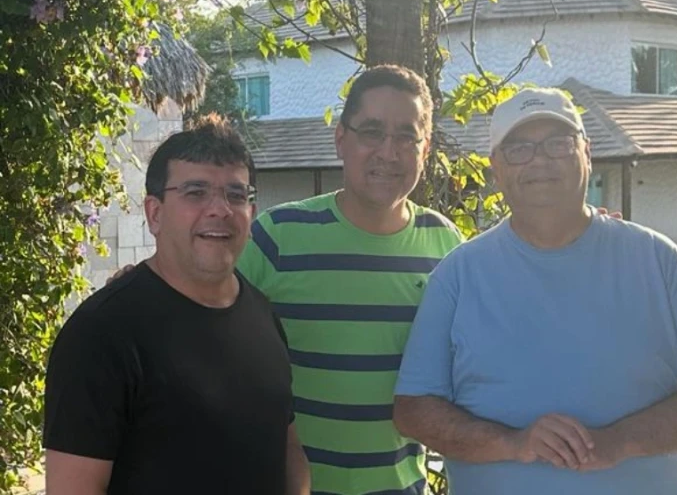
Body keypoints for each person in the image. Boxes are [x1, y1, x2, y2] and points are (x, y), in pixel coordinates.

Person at [393, 88, 677, 495]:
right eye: (519, 149)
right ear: (497, 169)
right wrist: (514, 444)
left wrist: (619, 442)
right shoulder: (457, 276)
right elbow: (414, 410)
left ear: (587, 153)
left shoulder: (659, 261)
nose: (540, 160)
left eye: (558, 143)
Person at [44, 115, 309, 495]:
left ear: (251, 213)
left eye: (236, 195)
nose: (220, 209)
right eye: (195, 192)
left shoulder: (263, 315)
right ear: (155, 213)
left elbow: (288, 448)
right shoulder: (100, 334)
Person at [236, 65, 463, 494]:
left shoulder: (447, 247)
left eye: (407, 136)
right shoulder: (277, 237)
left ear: (426, 149)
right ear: (341, 138)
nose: (388, 153)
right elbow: (199, 321)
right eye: (372, 132)